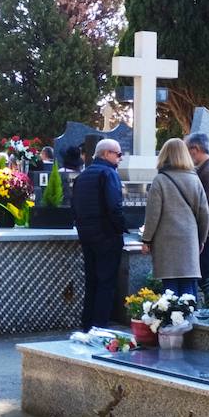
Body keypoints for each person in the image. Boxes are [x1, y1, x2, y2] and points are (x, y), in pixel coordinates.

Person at [142, 139, 209, 301]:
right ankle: (189, 323)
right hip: (189, 240)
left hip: (166, 242)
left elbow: (153, 214)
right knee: (188, 284)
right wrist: (200, 240)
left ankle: (172, 321)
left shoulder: (160, 180)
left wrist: (146, 239)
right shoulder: (195, 180)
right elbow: (205, 215)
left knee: (170, 287)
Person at [70, 138, 127, 331]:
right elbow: (114, 207)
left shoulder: (83, 176)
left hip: (86, 236)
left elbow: (74, 207)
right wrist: (121, 229)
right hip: (107, 236)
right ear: (105, 154)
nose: (120, 158)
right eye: (118, 154)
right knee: (106, 283)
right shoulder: (108, 174)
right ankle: (100, 328)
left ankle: (87, 325)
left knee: (91, 282)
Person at [185, 133, 209, 289]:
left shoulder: (208, 172)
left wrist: (201, 237)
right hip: (208, 232)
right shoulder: (208, 167)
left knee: (207, 279)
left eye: (187, 150)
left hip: (207, 234)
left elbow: (208, 206)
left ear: (195, 149)